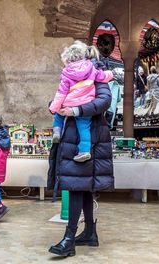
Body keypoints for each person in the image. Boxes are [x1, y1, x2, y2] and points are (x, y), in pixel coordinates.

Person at [47, 79, 114, 258]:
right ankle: (90, 232)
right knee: (82, 188)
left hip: (86, 141)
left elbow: (104, 101)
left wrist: (75, 109)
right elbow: (60, 97)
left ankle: (69, 239)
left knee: (76, 186)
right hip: (73, 139)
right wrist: (56, 106)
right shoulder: (73, 78)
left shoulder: (97, 79)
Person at [49, 40, 113, 162]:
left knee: (58, 114)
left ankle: (57, 131)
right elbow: (103, 76)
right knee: (84, 128)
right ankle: (84, 150)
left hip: (71, 105)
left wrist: (54, 108)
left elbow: (60, 94)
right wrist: (110, 74)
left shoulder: (67, 73)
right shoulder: (91, 70)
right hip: (85, 103)